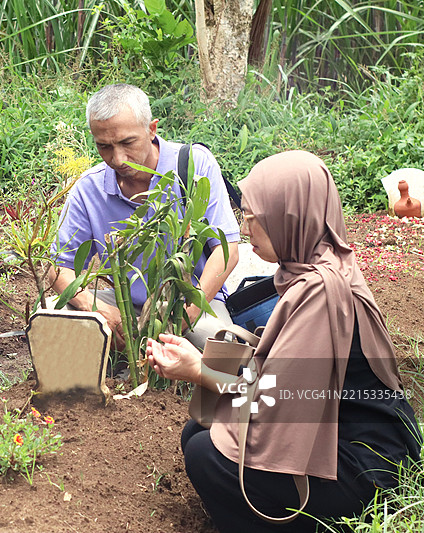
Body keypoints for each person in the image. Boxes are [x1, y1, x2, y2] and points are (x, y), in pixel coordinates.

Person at [147, 151, 421, 532]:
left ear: (288, 218)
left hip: (367, 468)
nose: (245, 230)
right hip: (341, 429)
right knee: (202, 429)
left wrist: (199, 371)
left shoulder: (320, 293)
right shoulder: (321, 261)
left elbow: (279, 399)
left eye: (252, 217)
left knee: (206, 455)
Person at [49, 84, 240, 350]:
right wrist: (93, 307)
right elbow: (59, 266)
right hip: (124, 303)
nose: (118, 159)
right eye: (104, 146)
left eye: (127, 143)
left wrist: (184, 315)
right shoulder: (89, 188)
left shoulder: (193, 165)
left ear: (152, 129)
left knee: (220, 349)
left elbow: (226, 251)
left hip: (190, 300)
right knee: (52, 320)